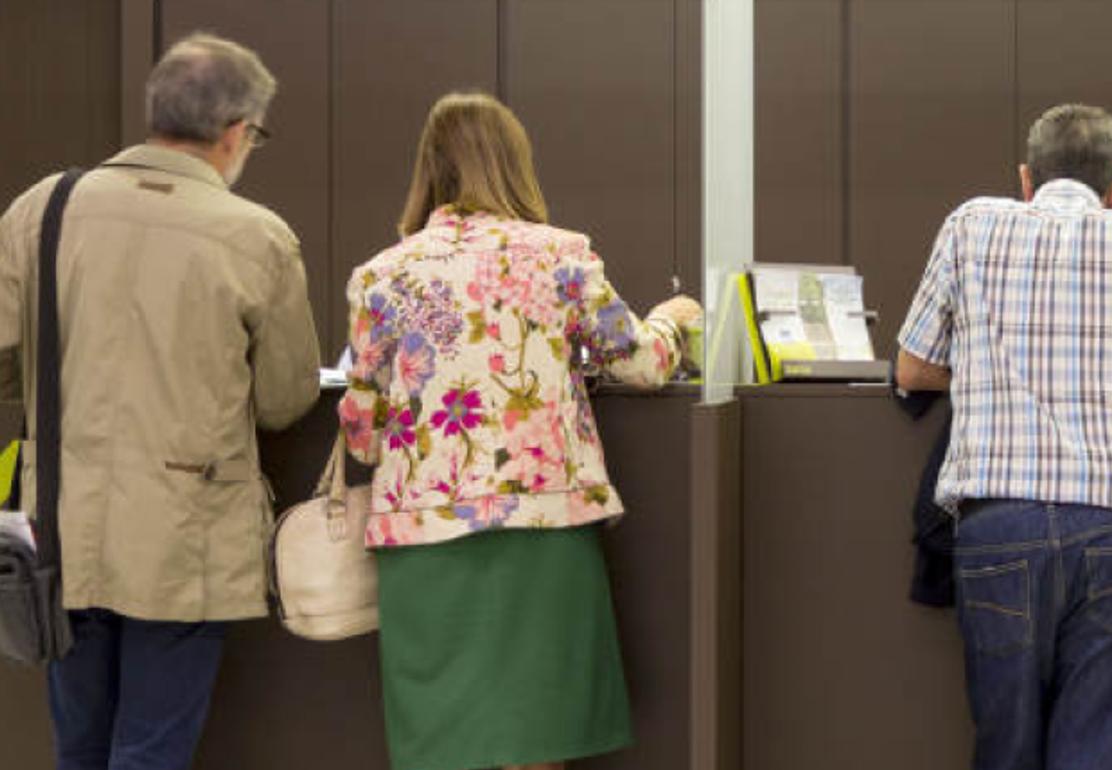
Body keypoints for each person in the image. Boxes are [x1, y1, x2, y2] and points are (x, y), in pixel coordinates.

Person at [337, 91, 702, 770]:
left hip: (424, 537)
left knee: (443, 743)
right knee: (538, 739)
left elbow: (362, 429)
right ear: (515, 164)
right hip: (542, 531)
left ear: (428, 170)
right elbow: (643, 363)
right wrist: (673, 318)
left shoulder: (381, 275)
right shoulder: (559, 255)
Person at [0, 33, 321, 770]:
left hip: (64, 528)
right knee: (152, 751)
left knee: (78, 749)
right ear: (236, 131)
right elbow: (283, 398)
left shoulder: (43, 208)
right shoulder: (256, 238)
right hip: (187, 538)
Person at [895, 103, 1112, 770]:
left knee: (1005, 742)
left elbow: (912, 367)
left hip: (1000, 521)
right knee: (1104, 743)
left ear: (1026, 177)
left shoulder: (970, 226)